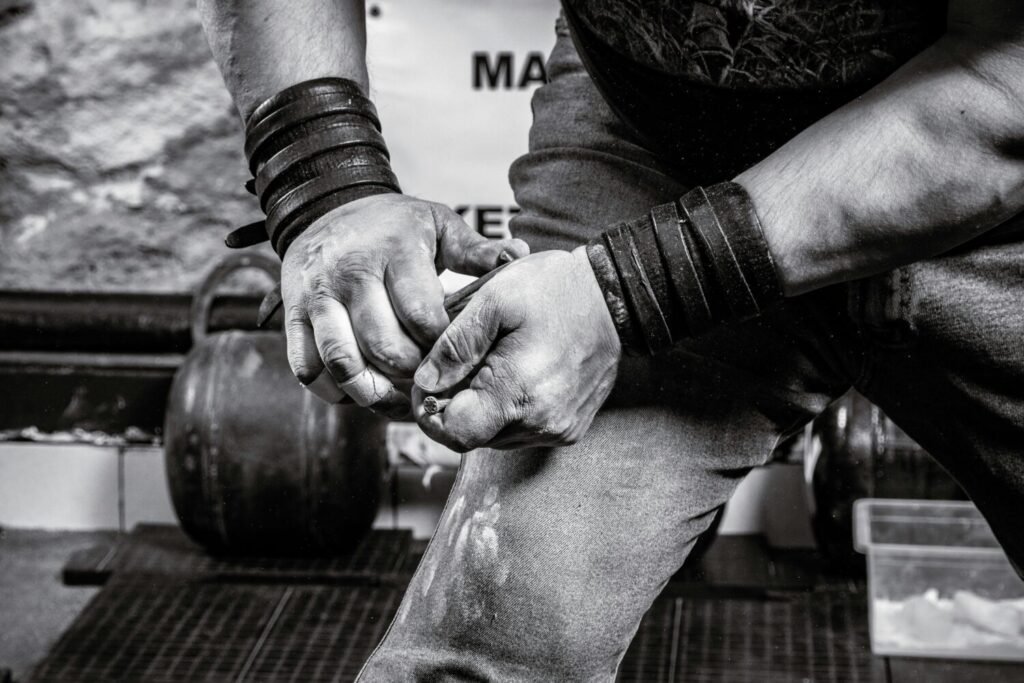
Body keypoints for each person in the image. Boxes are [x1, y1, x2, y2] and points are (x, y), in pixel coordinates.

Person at [198, 0, 1024, 679]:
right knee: (481, 659)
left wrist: (627, 292)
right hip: (656, 139)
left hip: (990, 162)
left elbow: (1004, 87)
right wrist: (326, 179)